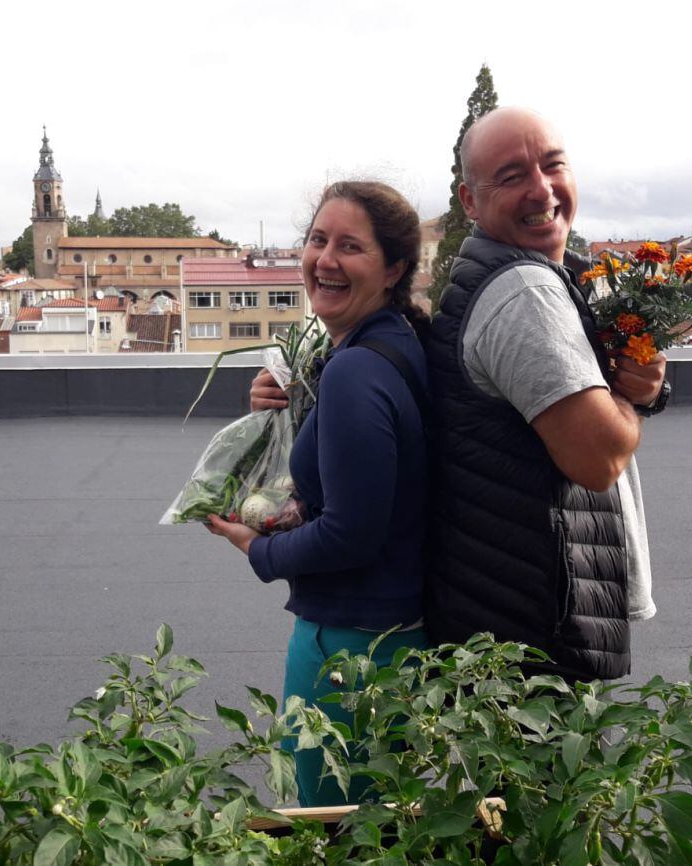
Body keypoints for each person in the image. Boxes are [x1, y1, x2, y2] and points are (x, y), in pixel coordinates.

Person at [208, 181, 430, 806]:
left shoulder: (357, 369)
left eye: (350, 246)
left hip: (351, 651)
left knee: (331, 826)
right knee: (379, 828)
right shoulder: (392, 348)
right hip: (393, 642)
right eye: (317, 239)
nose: (325, 259)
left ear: (394, 270)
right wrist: (291, 403)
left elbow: (353, 534)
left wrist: (257, 549)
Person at [425, 106, 666, 683]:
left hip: (504, 614)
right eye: (511, 176)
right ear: (469, 201)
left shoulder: (549, 275)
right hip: (538, 640)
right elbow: (599, 458)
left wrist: (646, 386)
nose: (542, 189)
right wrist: (629, 404)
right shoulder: (525, 292)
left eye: (553, 165)